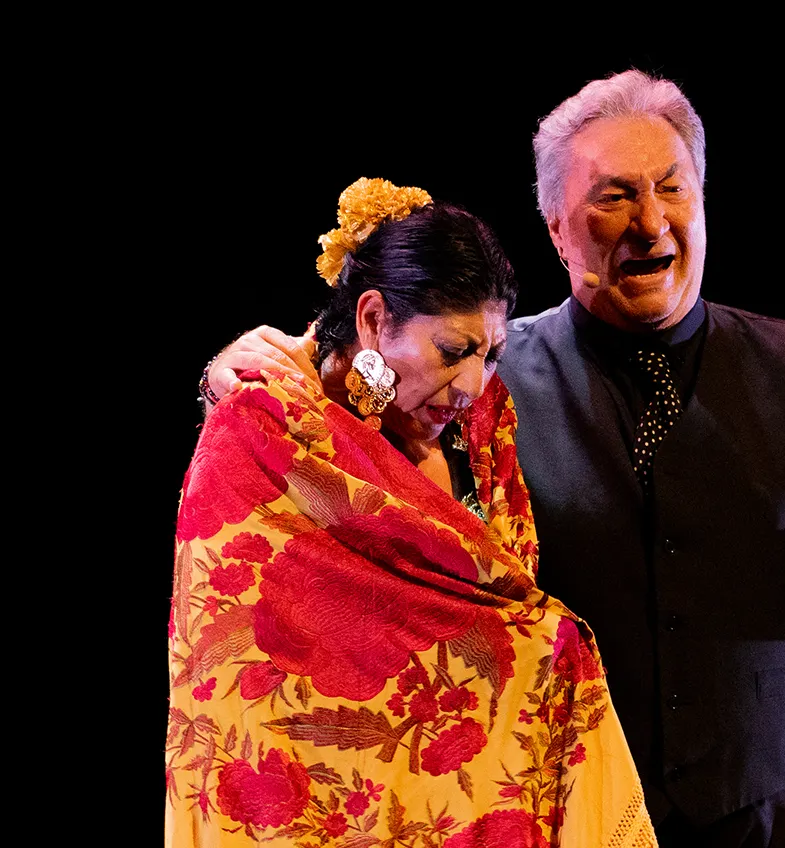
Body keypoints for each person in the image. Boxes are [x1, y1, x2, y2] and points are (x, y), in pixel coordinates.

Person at [205, 72, 785, 847]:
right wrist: (239, 373)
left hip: (780, 828)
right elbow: (339, 419)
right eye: (614, 197)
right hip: (567, 822)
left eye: (671, 189)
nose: (650, 223)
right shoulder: (480, 385)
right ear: (555, 228)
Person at [167, 178, 657, 848]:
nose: (473, 384)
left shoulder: (480, 433)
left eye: (490, 355)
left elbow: (493, 619)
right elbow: (236, 684)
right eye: (453, 351)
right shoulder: (263, 433)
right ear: (373, 318)